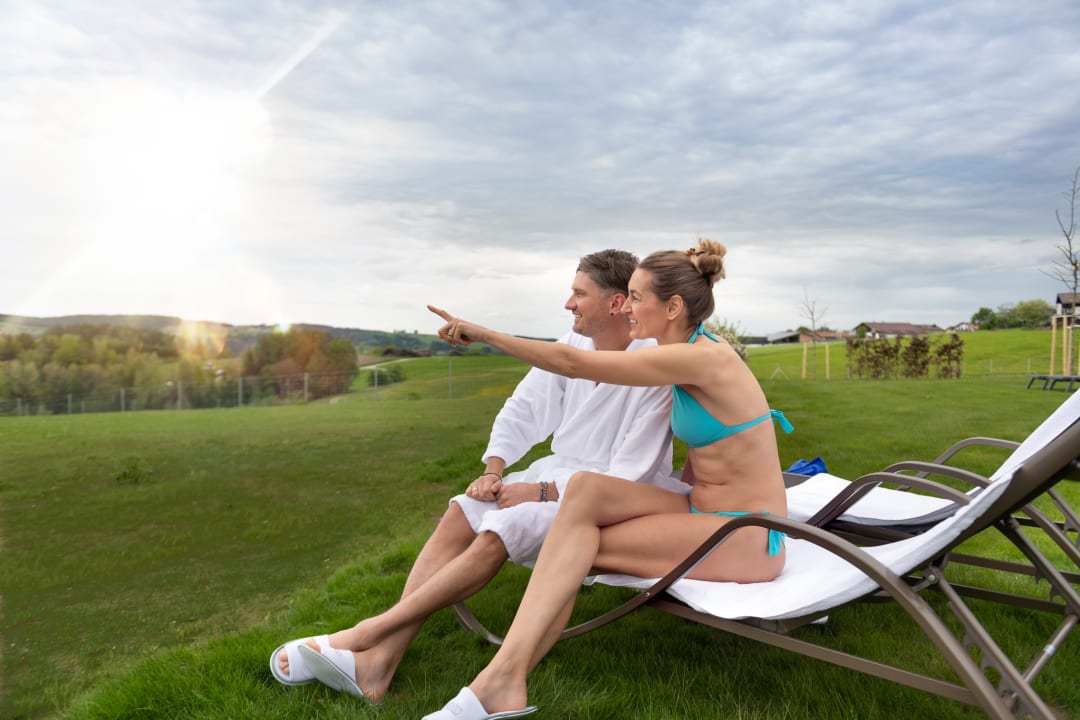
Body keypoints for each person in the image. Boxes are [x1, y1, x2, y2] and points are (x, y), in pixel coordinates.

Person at [270, 249, 684, 704]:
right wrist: (494, 468)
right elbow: (525, 407)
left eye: (578, 294)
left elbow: (631, 474)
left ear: (615, 303)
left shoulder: (655, 367)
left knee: (500, 529)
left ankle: (367, 635)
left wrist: (542, 492)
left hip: (611, 500)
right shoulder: (574, 344)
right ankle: (380, 663)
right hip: (560, 472)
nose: (568, 303)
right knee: (462, 510)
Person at [422, 238, 792, 720]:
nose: (627, 307)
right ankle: (504, 679)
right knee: (586, 491)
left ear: (672, 308)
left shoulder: (702, 358)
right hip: (704, 509)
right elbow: (715, 449)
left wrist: (484, 334)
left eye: (636, 297)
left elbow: (572, 362)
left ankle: (501, 679)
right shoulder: (689, 348)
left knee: (573, 544)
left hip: (748, 532)